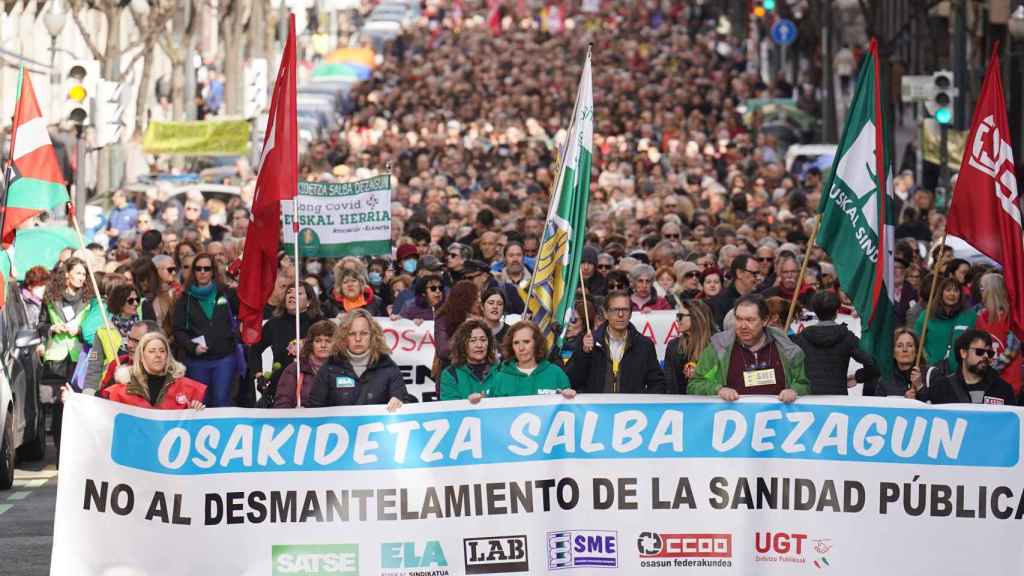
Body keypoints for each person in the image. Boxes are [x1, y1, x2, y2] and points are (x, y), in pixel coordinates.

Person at [688, 295, 810, 403]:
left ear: (765, 320)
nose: (743, 326)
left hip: (776, 423)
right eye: (739, 319)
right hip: (735, 422)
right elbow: (695, 384)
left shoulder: (787, 348)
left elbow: (803, 384)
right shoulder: (719, 347)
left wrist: (794, 391)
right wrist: (718, 390)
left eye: (750, 320)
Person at [171, 252, 241, 408]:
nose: (202, 272)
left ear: (213, 271)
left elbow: (244, 313)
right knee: (199, 403)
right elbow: (178, 330)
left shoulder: (227, 293)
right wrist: (193, 347)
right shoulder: (184, 298)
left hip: (224, 358)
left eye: (207, 268)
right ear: (193, 271)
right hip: (197, 362)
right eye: (198, 268)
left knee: (221, 401)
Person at [41, 257, 95, 450]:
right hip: (56, 360)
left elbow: (94, 327)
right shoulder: (50, 297)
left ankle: (77, 452)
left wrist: (79, 331)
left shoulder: (90, 300)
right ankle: (60, 455)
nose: (82, 277)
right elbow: (41, 325)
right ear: (67, 274)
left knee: (78, 406)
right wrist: (52, 328)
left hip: (80, 359)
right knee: (58, 411)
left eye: (84, 274)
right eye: (79, 273)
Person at [565, 290, 666, 394]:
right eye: (615, 310)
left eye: (625, 310)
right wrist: (584, 353)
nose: (621, 314)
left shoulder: (644, 345)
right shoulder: (588, 341)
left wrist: (640, 403)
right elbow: (571, 381)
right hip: (595, 409)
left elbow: (658, 383)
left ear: (630, 314)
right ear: (605, 313)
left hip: (631, 409)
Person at [308, 309, 406, 410]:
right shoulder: (330, 367)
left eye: (364, 333)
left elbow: (406, 401)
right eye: (352, 334)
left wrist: (399, 400)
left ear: (373, 335)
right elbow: (315, 408)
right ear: (344, 337)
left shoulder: (388, 367)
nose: (358, 339)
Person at [792, 290, 880, 395]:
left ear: (814, 311)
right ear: (837, 311)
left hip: (810, 399)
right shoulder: (847, 337)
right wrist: (858, 377)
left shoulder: (801, 338)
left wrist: (858, 377)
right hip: (838, 399)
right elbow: (875, 364)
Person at [98, 332, 206, 409]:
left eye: (162, 351)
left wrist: (194, 411)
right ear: (141, 356)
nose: (158, 355)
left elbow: (192, 427)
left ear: (167, 356)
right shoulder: (121, 389)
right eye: (152, 351)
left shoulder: (186, 388)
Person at [911, 329, 1016, 405]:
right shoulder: (942, 387)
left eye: (989, 353)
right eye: (979, 352)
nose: (985, 356)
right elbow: (926, 413)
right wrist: (911, 400)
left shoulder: (1004, 389)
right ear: (963, 353)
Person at [254, 284, 321, 397]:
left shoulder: (319, 323)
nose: (292, 296)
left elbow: (333, 346)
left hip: (313, 384)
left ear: (309, 302)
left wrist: (305, 343)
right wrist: (259, 375)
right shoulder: (274, 324)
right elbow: (255, 350)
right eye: (289, 292)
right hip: (280, 385)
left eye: (298, 293)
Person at [491, 321, 575, 398]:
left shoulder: (556, 374)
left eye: (526, 342)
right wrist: (478, 402)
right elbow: (487, 411)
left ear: (537, 343)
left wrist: (570, 397)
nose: (521, 348)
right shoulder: (500, 378)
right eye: (516, 343)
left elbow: (568, 409)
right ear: (511, 346)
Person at [913, 277, 977, 372]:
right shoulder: (927, 315)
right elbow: (916, 339)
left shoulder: (969, 316)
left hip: (961, 373)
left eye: (956, 290)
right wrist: (926, 358)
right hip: (932, 371)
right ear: (941, 293)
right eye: (948, 290)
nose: (952, 294)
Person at [973, 273, 1022, 395]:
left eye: (982, 288)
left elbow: (1011, 351)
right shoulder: (980, 315)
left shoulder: (1011, 317)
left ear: (992, 290)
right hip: (985, 381)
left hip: (1008, 381)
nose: (980, 291)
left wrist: (989, 370)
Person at [274, 320, 336, 408]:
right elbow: (282, 403)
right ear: (311, 344)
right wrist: (295, 413)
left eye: (328, 341)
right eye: (318, 341)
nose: (323, 345)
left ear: (337, 343)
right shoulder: (295, 369)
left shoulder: (343, 369)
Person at [439, 319, 498, 402]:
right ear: (462, 344)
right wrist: (467, 403)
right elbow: (450, 409)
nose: (479, 345)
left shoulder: (500, 371)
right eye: (473, 340)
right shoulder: (450, 374)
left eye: (483, 340)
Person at [663, 299, 714, 395]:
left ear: (696, 317)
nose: (677, 320)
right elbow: (670, 385)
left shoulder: (717, 345)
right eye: (677, 316)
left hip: (712, 404)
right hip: (681, 406)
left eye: (680, 316)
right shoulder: (673, 346)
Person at [433, 280, 481, 379]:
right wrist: (464, 327)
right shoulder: (443, 318)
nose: (479, 301)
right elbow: (443, 351)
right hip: (451, 376)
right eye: (476, 298)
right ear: (465, 299)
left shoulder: (481, 317)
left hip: (476, 376)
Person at [708, 255, 762, 326]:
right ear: (739, 273)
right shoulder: (719, 303)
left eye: (759, 273)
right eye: (754, 274)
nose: (758, 278)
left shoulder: (760, 299)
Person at [878, 328, 924, 397]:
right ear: (893, 353)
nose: (905, 349)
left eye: (909, 345)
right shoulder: (884, 381)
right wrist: (903, 401)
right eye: (899, 346)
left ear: (916, 352)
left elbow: (940, 404)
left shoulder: (931, 375)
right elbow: (878, 407)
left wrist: (920, 387)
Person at [480, 287, 509, 351]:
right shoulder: (472, 329)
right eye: (491, 303)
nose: (495, 307)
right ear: (482, 306)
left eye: (499, 304)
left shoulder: (510, 333)